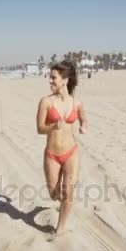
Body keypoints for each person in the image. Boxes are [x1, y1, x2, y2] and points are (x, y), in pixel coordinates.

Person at [36, 61, 88, 235]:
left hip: (72, 152)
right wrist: (52, 127)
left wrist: (83, 126)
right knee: (53, 194)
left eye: (53, 78)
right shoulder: (45, 102)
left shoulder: (77, 103)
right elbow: (39, 128)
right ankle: (57, 201)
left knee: (68, 193)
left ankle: (60, 228)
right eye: (50, 78)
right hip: (52, 154)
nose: (50, 81)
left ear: (65, 80)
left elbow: (84, 118)